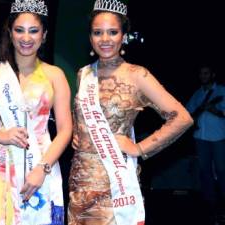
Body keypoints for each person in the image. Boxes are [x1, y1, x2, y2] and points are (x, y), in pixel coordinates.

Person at [68, 0, 194, 224]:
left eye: (113, 32)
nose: (105, 39)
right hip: (79, 185)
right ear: (90, 38)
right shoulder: (83, 74)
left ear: (124, 36)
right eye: (98, 33)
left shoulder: (138, 75)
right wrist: (76, 134)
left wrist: (140, 148)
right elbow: (82, 115)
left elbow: (182, 117)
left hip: (115, 187)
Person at [0, 0, 72, 224]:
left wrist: (42, 169)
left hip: (41, 163)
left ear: (44, 34)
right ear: (10, 32)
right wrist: (2, 136)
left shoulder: (55, 75)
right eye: (19, 30)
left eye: (34, 31)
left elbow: (65, 130)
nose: (26, 38)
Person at [186, 65, 225, 224]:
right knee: (204, 171)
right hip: (200, 137)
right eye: (201, 73)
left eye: (206, 73)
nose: (203, 76)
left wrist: (212, 109)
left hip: (218, 137)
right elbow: (188, 113)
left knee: (222, 170)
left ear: (213, 74)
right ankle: (210, 202)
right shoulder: (197, 93)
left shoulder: (222, 91)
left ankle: (223, 201)